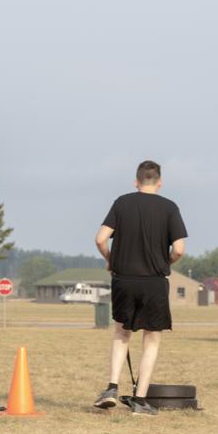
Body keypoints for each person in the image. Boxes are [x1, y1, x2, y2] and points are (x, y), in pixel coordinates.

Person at [91, 160, 187, 415]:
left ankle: (111, 387)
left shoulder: (122, 203)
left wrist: (110, 259)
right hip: (154, 281)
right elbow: (179, 249)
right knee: (151, 340)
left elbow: (100, 238)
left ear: (136, 182)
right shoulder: (169, 208)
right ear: (160, 182)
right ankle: (140, 401)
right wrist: (166, 261)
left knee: (122, 334)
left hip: (123, 279)